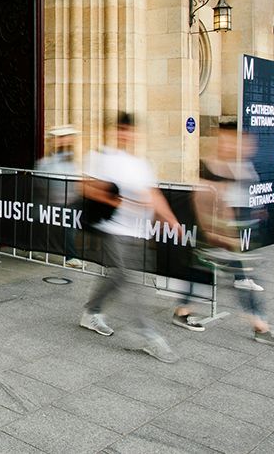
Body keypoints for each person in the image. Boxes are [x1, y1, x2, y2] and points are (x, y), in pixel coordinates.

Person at [174, 121, 274, 348]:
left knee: (206, 274)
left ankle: (182, 311)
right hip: (220, 233)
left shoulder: (242, 166)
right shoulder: (213, 166)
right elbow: (202, 200)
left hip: (237, 233)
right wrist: (213, 231)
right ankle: (260, 326)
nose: (232, 145)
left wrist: (255, 212)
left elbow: (242, 196)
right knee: (233, 278)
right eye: (227, 140)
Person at [79, 113, 182, 363]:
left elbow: (153, 194)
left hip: (138, 231)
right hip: (114, 228)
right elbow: (85, 187)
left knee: (117, 277)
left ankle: (91, 310)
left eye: (131, 131)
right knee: (129, 279)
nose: (127, 135)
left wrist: (170, 218)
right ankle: (148, 335)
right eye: (123, 130)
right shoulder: (102, 158)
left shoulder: (141, 164)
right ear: (116, 132)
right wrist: (116, 200)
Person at [34, 125, 83, 268]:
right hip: (51, 201)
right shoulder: (47, 162)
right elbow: (40, 181)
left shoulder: (70, 161)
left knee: (69, 228)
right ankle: (37, 249)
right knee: (43, 226)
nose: (65, 141)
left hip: (69, 201)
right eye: (61, 138)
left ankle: (70, 256)